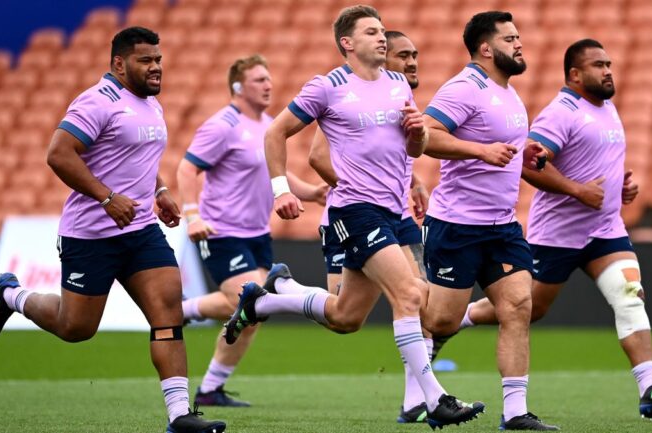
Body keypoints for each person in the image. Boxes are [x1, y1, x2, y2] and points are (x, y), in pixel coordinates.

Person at [224, 6, 485, 430]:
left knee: (346, 318)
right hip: (356, 211)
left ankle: (268, 298)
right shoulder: (327, 87)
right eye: (371, 32)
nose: (382, 37)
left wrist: (418, 134)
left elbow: (413, 149)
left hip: (394, 210)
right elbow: (275, 133)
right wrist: (281, 189)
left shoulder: (397, 84)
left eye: (382, 31)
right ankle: (433, 399)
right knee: (410, 294)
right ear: (347, 43)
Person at [0, 27, 226, 433]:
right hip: (91, 235)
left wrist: (160, 190)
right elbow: (59, 154)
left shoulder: (150, 103)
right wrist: (107, 197)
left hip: (140, 230)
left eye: (158, 60)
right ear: (119, 64)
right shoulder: (97, 101)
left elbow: (138, 155)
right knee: (76, 328)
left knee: (167, 313)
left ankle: (180, 415)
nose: (156, 67)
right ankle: (11, 295)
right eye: (145, 60)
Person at [460, 38, 652, 419]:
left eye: (609, 64)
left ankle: (649, 388)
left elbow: (595, 161)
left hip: (606, 231)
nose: (608, 71)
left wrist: (619, 188)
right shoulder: (561, 113)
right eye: (599, 65)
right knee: (528, 309)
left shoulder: (607, 108)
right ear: (575, 74)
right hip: (556, 235)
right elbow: (530, 165)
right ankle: (457, 320)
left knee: (630, 296)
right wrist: (578, 190)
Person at [420, 11, 558, 430]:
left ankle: (515, 412)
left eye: (518, 37)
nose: (519, 44)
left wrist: (524, 154)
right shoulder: (465, 87)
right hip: (457, 225)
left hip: (502, 226)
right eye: (509, 39)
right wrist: (481, 151)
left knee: (518, 306)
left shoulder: (508, 93)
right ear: (485, 47)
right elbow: (426, 135)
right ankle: (414, 350)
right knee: (441, 320)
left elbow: (501, 146)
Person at [177, 54, 326, 407]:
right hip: (221, 231)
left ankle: (210, 389)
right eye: (259, 80)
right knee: (245, 300)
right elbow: (186, 169)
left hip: (257, 233)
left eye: (269, 78)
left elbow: (276, 171)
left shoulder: (268, 124)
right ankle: (180, 311)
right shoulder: (222, 125)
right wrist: (192, 215)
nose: (268, 85)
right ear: (238, 87)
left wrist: (312, 192)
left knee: (251, 314)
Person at [306, 29, 431, 424]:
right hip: (351, 216)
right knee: (345, 318)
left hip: (394, 213)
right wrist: (355, 186)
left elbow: (391, 151)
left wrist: (413, 181)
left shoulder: (398, 96)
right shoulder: (348, 99)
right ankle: (277, 295)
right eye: (403, 55)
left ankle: (415, 401)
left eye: (415, 55)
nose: (412, 63)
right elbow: (318, 156)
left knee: (418, 297)